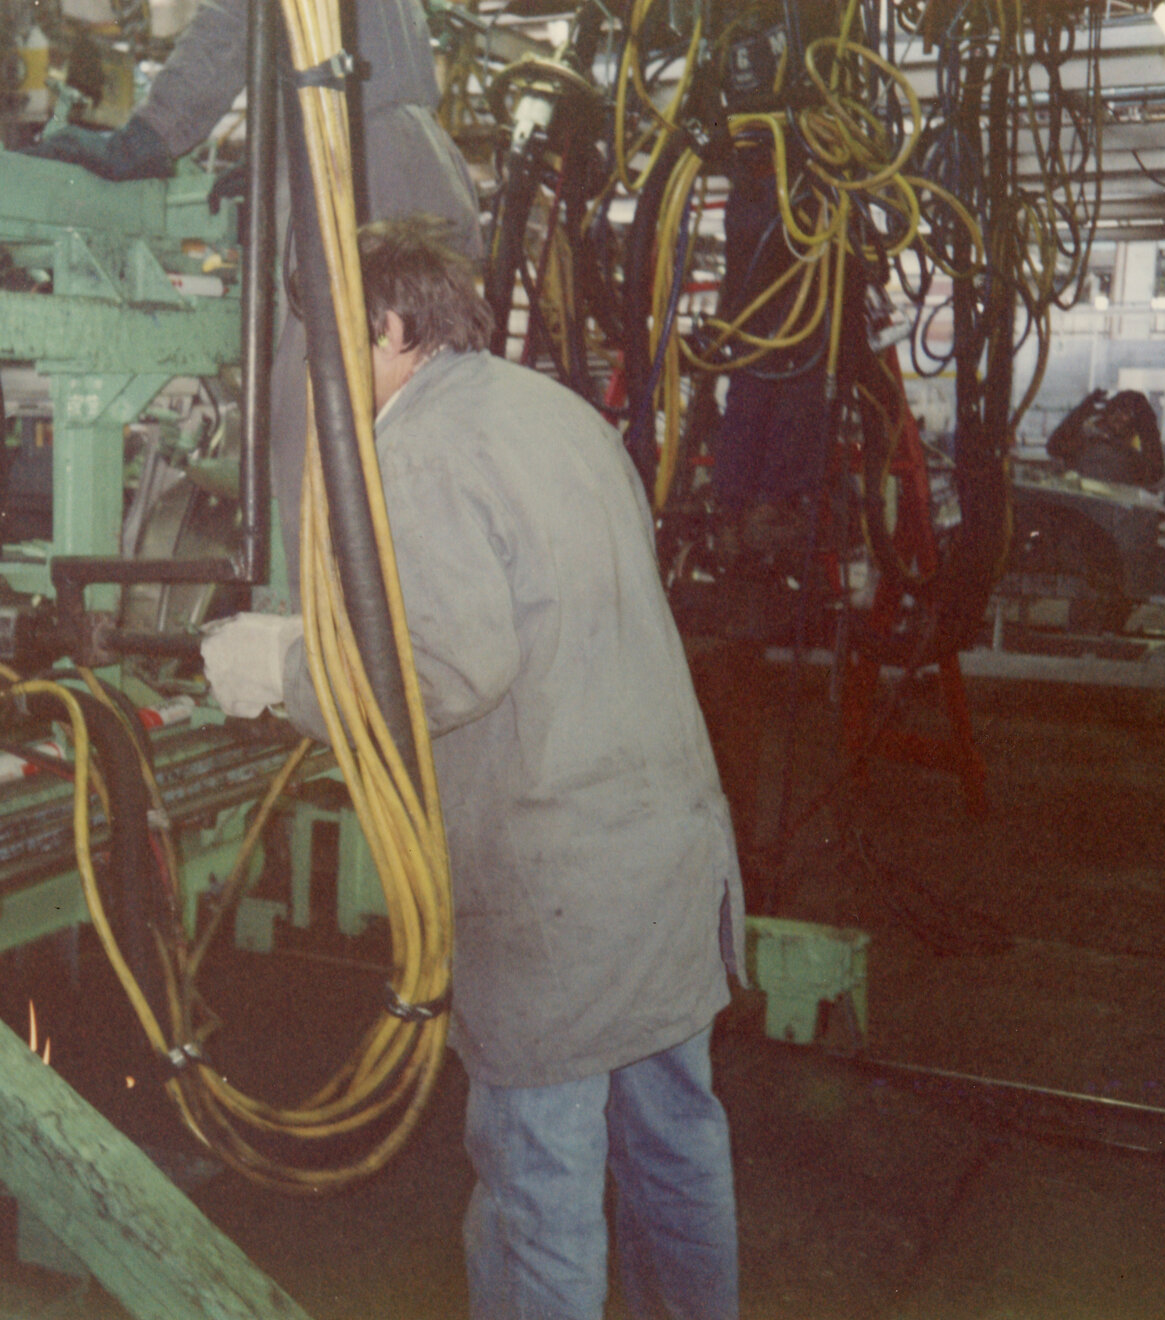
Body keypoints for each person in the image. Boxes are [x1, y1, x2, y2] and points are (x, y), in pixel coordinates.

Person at [202, 217, 746, 1320]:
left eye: (327, 342)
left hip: (558, 891)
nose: (318, 372)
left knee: (536, 1187)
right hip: (670, 855)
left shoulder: (417, 448)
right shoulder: (557, 414)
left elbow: (449, 668)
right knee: (675, 1145)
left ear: (391, 329)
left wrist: (285, 670)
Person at [30, 0, 482, 587]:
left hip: (354, 164)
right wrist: (274, 158)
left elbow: (236, 16)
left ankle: (322, 649)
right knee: (433, 417)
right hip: (414, 158)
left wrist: (153, 134)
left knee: (316, 428)